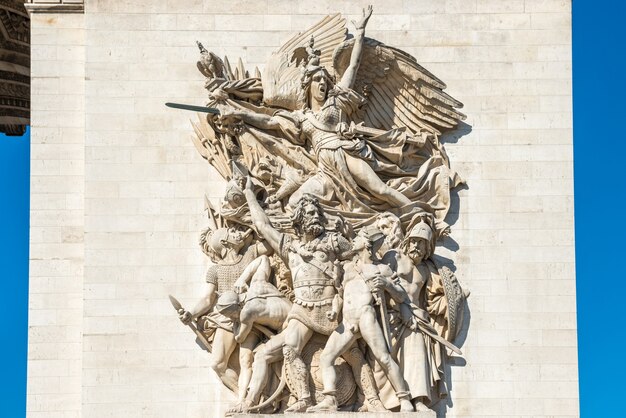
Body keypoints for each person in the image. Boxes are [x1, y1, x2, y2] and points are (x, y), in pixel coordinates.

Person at [218, 6, 414, 212]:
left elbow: (353, 67)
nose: (322, 83)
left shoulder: (337, 101)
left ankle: (417, 211)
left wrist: (360, 34)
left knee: (379, 189)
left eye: (324, 79)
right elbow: (268, 121)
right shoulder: (301, 117)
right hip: (324, 169)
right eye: (317, 79)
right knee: (294, 202)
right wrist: (237, 113)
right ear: (308, 85)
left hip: (345, 153)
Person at [241, 176, 355, 412]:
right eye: (310, 213)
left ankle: (371, 396)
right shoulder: (290, 248)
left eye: (317, 213)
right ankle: (303, 397)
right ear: (299, 220)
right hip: (302, 308)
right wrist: (250, 195)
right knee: (289, 348)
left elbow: (359, 256)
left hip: (330, 309)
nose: (315, 217)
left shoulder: (334, 241)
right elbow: (263, 226)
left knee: (354, 354)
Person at [308, 228, 415, 413]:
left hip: (366, 316)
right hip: (348, 321)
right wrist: (335, 310)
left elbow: (400, 296)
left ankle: (404, 398)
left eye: (357, 238)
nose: (354, 241)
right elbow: (340, 296)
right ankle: (330, 399)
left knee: (384, 358)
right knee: (327, 357)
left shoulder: (381, 269)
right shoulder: (349, 268)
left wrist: (387, 284)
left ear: (367, 244)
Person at [178, 226, 271, 391]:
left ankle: (250, 399)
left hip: (250, 314)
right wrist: (191, 314)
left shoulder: (250, 253)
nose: (237, 233)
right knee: (218, 364)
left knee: (246, 359)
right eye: (233, 232)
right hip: (226, 319)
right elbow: (208, 299)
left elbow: (271, 245)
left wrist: (258, 226)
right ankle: (241, 396)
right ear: (225, 242)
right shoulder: (215, 270)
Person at [213, 255, 292, 414]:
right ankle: (246, 398)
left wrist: (237, 323)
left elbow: (239, 337)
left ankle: (250, 402)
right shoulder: (257, 284)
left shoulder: (246, 313)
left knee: (260, 356)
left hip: (291, 329)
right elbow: (263, 259)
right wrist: (242, 279)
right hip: (292, 317)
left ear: (235, 310)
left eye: (231, 316)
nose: (231, 319)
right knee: (249, 357)